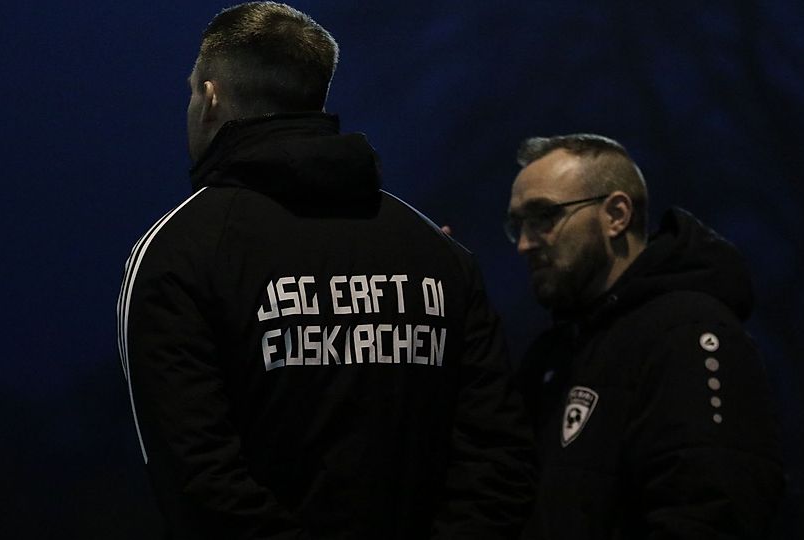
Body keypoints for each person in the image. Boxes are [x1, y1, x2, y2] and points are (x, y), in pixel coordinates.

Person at [116, 3, 534, 538]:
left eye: (193, 91)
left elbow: (197, 480)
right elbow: (499, 458)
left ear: (211, 98)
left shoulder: (179, 251)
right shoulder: (436, 252)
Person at [506, 133, 784, 538]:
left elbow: (712, 513)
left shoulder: (691, 334)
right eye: (517, 225)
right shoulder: (553, 354)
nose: (525, 243)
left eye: (544, 216)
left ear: (616, 215)